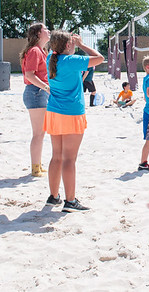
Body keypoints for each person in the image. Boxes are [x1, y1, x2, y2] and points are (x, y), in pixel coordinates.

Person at [44, 31, 104, 212]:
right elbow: (99, 58)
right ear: (68, 45)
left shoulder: (50, 59)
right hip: (72, 113)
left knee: (56, 156)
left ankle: (53, 197)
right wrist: (82, 44)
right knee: (69, 159)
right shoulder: (72, 61)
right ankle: (70, 201)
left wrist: (72, 43)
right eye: (71, 43)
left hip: (54, 112)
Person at [20, 23, 51, 178]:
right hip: (36, 92)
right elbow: (30, 75)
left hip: (39, 92)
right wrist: (46, 87)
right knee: (38, 133)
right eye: (45, 29)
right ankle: (35, 167)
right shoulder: (34, 51)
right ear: (38, 33)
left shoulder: (41, 51)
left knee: (41, 133)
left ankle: (37, 165)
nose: (48, 31)